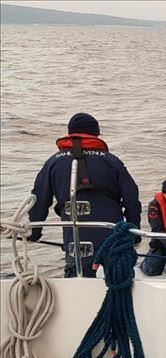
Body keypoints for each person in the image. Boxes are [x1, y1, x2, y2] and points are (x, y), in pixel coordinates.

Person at [28, 113, 141, 277]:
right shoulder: (112, 161)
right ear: (96, 134)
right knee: (118, 283)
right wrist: (134, 233)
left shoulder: (53, 163)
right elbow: (132, 200)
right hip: (112, 242)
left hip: (75, 246)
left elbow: (38, 200)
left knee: (77, 279)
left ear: (70, 134)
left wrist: (35, 232)